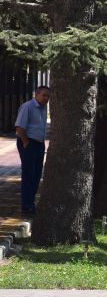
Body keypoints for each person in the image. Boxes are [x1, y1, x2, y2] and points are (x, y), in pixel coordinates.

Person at [15, 85, 50, 215]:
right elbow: (19, 127)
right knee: (29, 174)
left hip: (39, 144)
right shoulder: (27, 107)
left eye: (48, 96)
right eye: (44, 95)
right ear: (37, 94)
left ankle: (31, 203)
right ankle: (27, 206)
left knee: (36, 175)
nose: (46, 98)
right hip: (28, 143)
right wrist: (25, 143)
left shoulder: (43, 107)